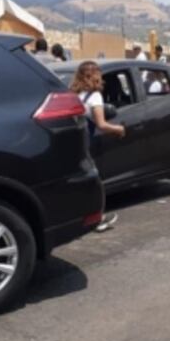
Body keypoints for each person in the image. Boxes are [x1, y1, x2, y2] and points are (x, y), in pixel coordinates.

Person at [70, 61, 125, 231]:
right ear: (93, 76)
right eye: (99, 75)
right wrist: (119, 129)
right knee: (93, 182)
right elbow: (101, 124)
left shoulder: (75, 94)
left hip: (73, 142)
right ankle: (96, 219)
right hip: (85, 144)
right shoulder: (95, 97)